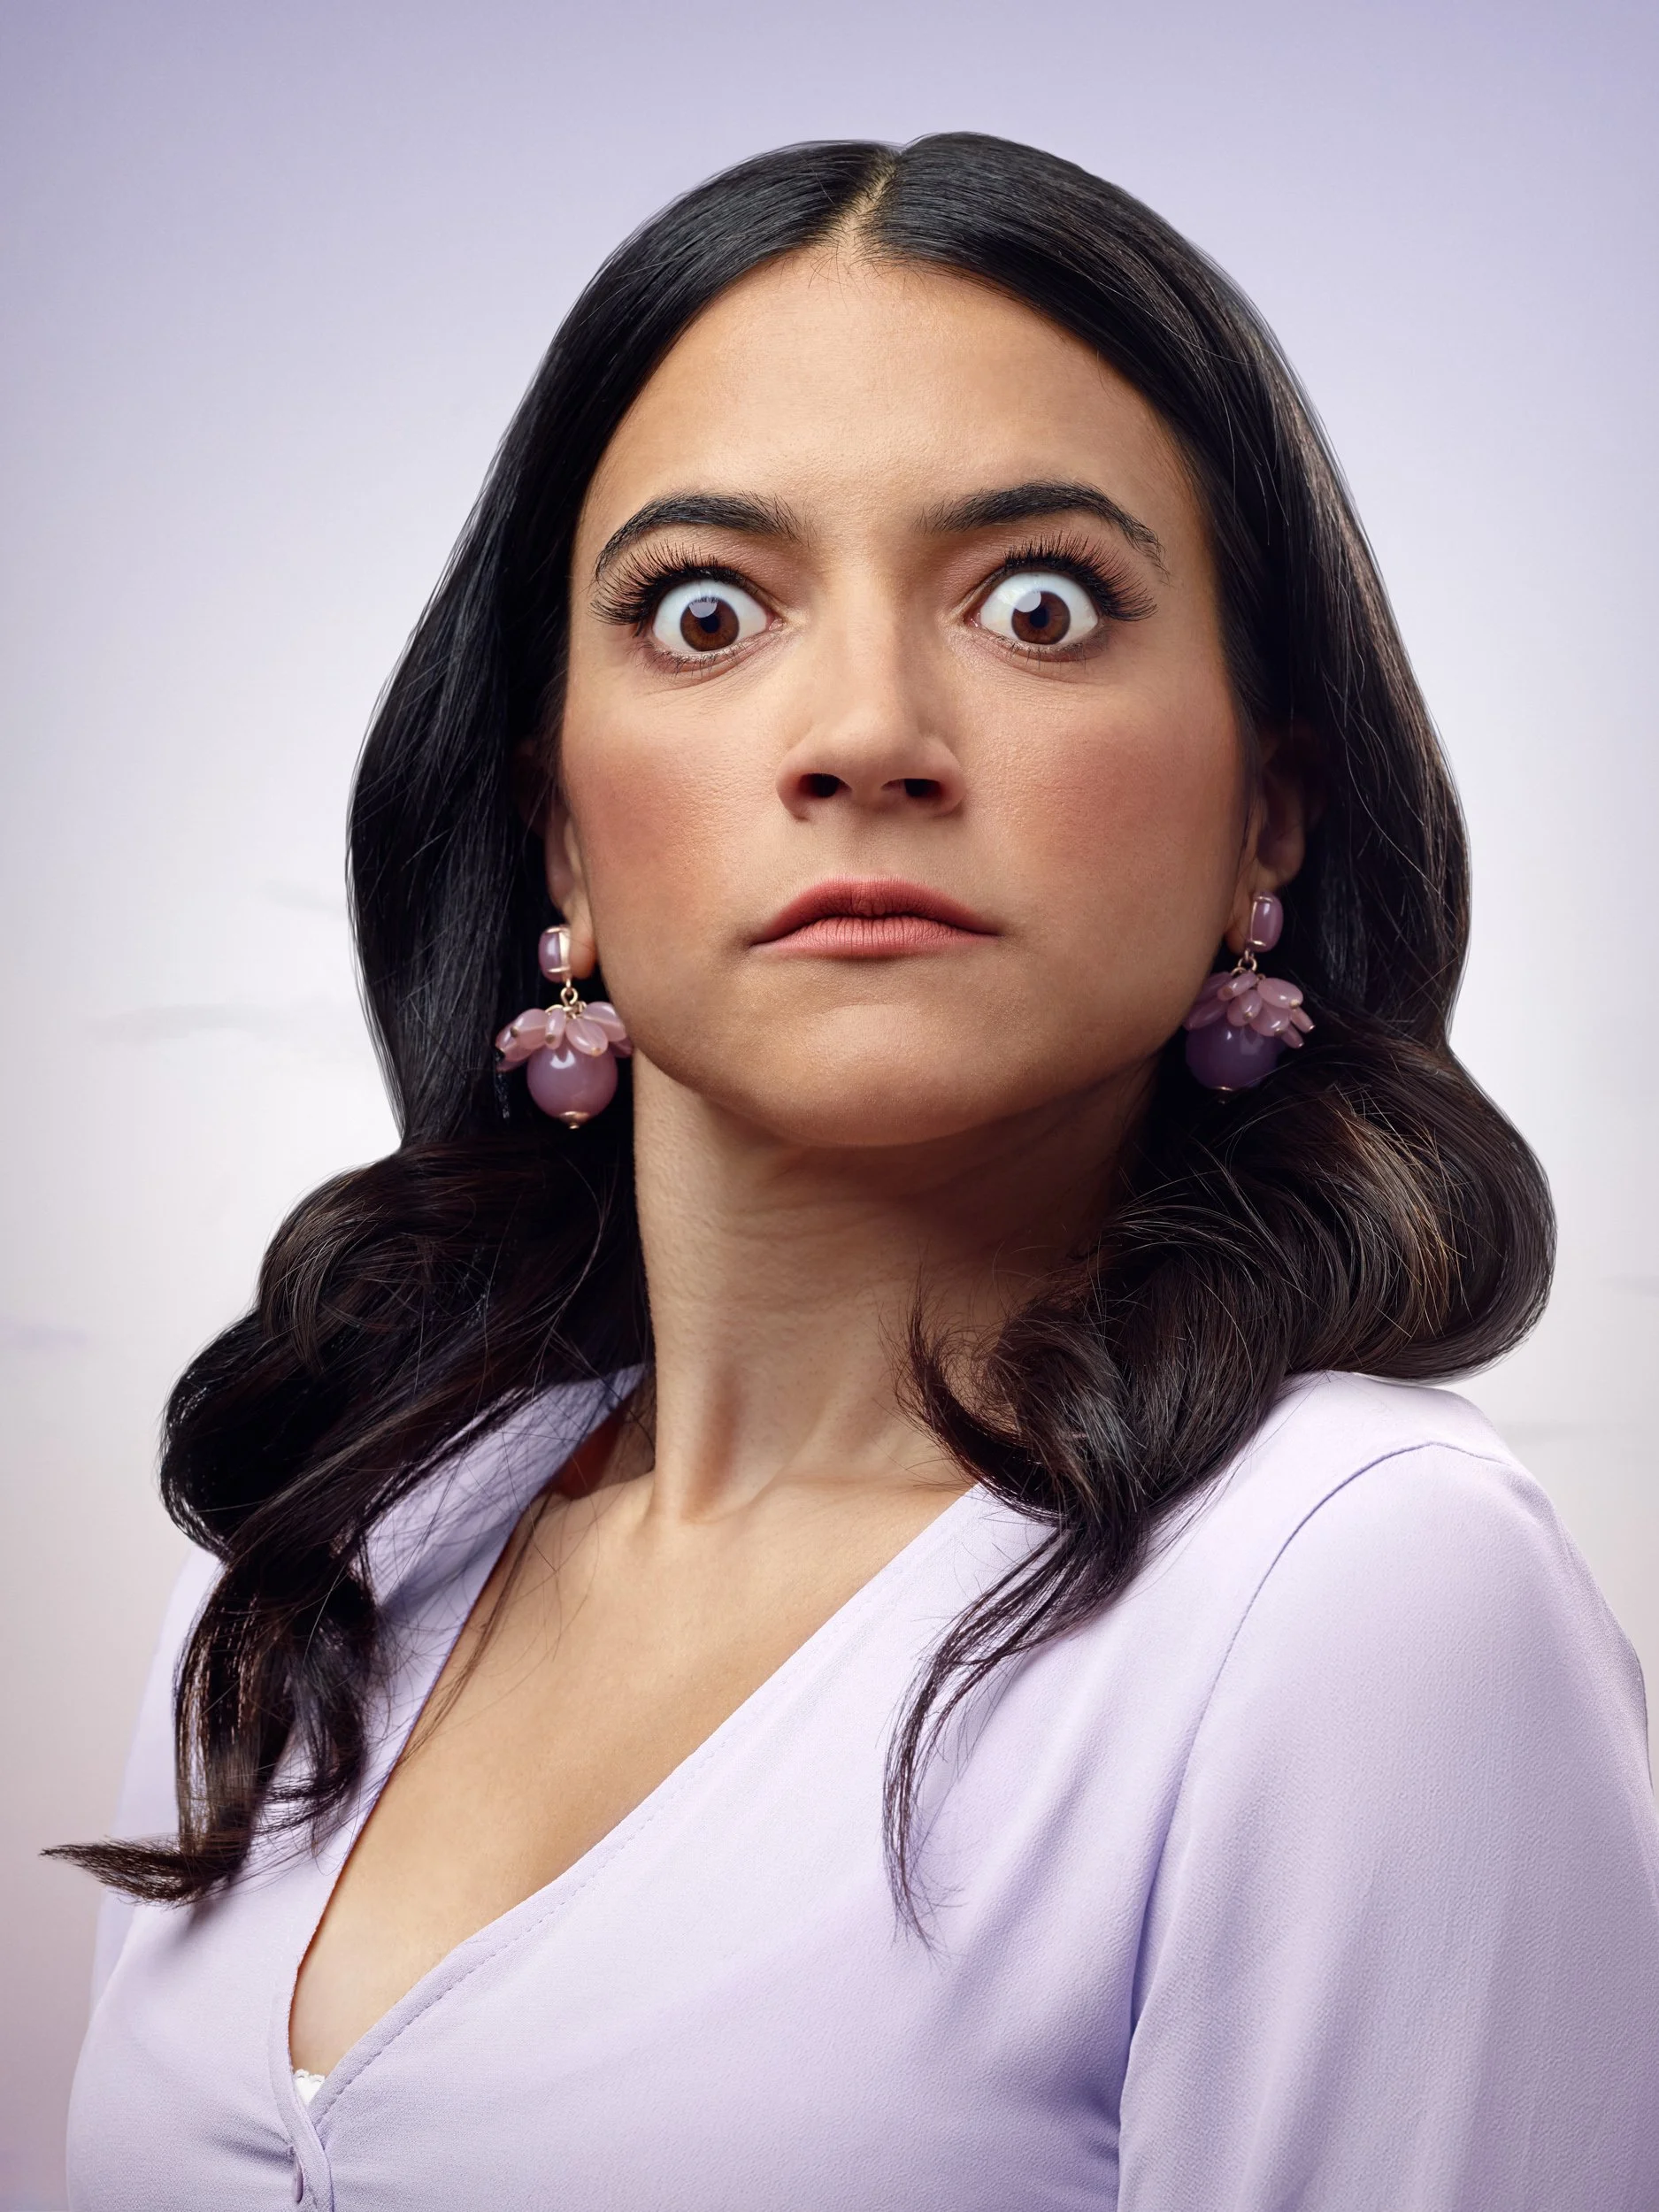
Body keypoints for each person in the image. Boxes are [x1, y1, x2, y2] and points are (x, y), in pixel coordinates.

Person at [61, 134, 1659, 2210]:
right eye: (706, 610)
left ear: (1270, 812)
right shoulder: (315, 1563)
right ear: (557, 832)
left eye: (1039, 602)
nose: (867, 732)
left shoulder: (1356, 1586)